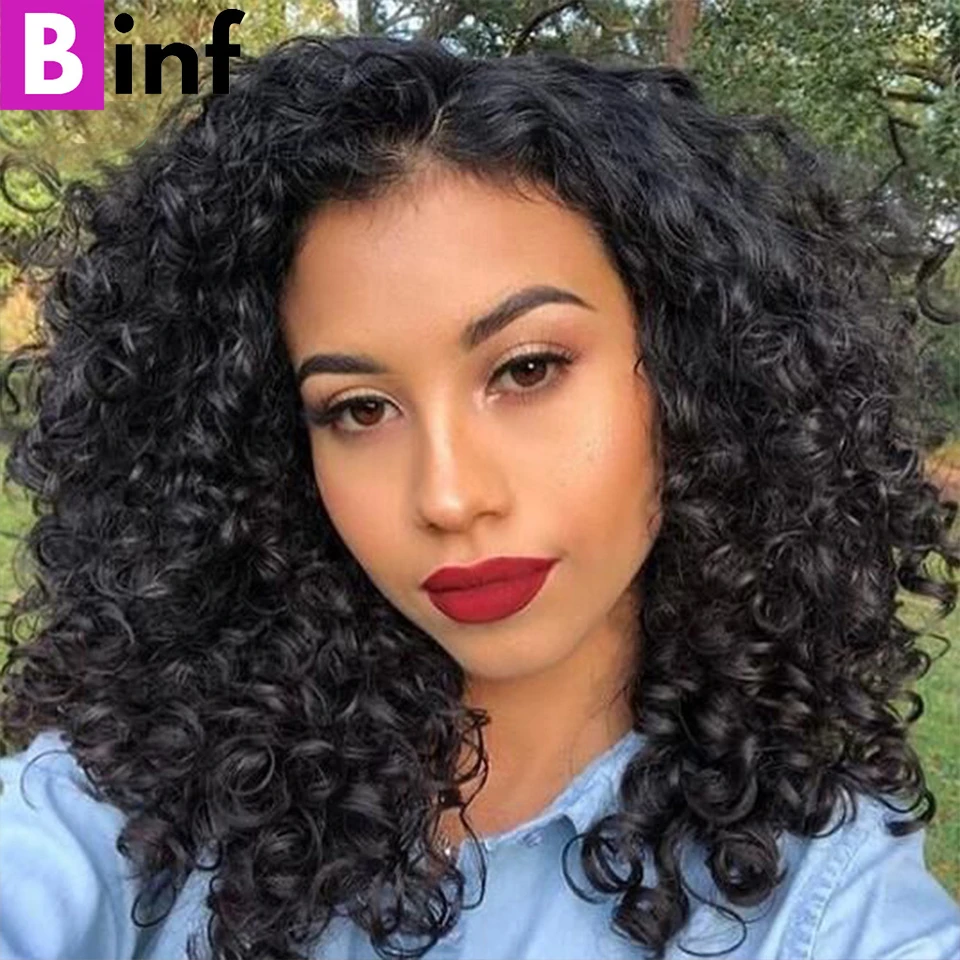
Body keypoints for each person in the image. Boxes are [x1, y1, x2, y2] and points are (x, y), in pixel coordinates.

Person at [0, 31, 958, 960]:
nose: (449, 497)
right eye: (360, 409)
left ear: (693, 367)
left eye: (527, 368)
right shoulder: (146, 776)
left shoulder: (820, 905)